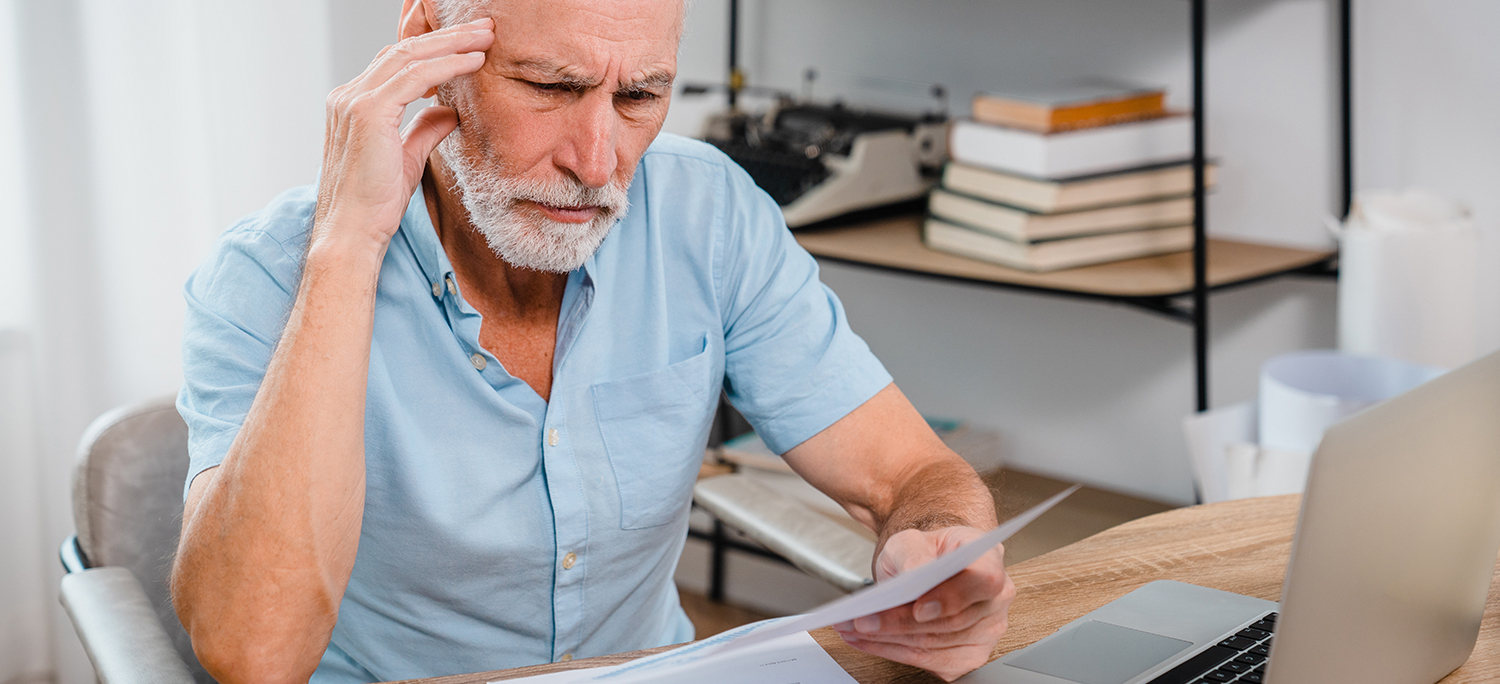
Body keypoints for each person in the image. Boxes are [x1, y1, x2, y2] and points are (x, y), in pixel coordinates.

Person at [169, 1, 1014, 682]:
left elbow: (911, 475)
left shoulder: (709, 214)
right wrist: (349, 248)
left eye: (640, 97)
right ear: (430, 44)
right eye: (549, 85)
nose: (597, 159)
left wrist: (940, 547)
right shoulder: (270, 274)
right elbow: (255, 658)